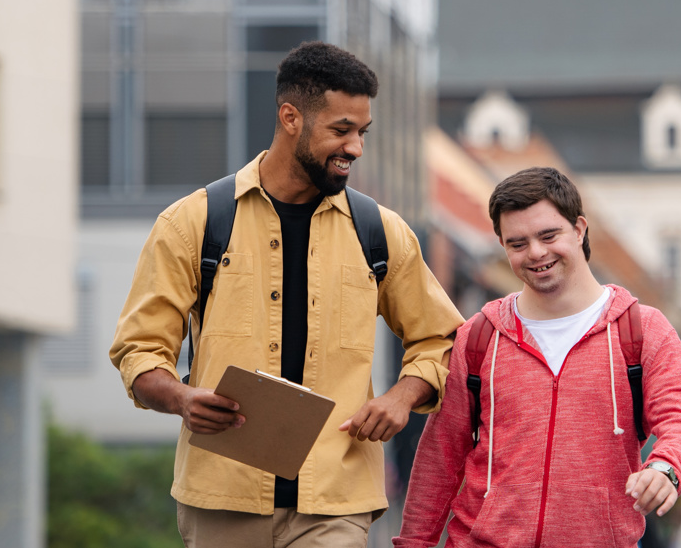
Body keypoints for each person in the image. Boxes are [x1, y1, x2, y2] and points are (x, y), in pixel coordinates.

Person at [109, 41, 464, 548]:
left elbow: (444, 340)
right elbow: (138, 349)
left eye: (362, 132)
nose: (355, 148)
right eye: (341, 130)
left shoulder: (381, 232)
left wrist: (401, 398)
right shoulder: (193, 223)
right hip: (220, 496)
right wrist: (181, 397)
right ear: (290, 117)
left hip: (335, 504)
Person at [394, 167, 681, 547]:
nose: (536, 253)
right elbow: (440, 457)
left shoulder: (641, 330)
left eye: (548, 235)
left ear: (579, 229)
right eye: (518, 243)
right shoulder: (480, 336)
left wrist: (666, 467)